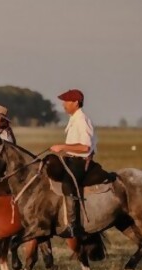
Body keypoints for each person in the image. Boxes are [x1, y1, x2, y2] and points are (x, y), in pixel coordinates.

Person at [49, 89, 97, 238]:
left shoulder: (82, 120)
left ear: (76, 103)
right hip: (71, 159)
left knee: (68, 184)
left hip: (80, 162)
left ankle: (73, 225)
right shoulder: (74, 118)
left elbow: (85, 147)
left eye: (66, 101)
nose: (63, 105)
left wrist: (62, 147)